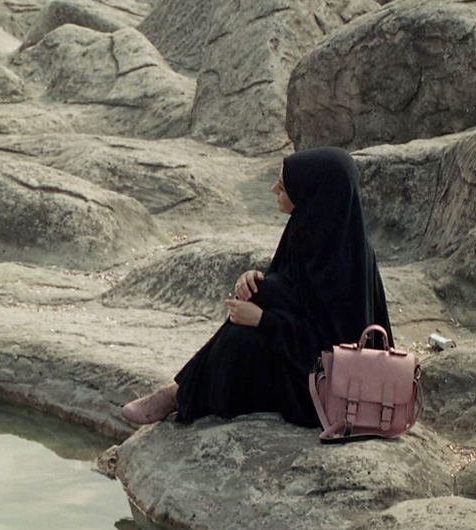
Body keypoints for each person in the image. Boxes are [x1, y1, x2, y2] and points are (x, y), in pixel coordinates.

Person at [122, 147, 391, 429]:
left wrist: (264, 320)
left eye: (284, 186)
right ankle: (178, 392)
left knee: (239, 342)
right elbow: (291, 290)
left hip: (330, 385)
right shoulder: (310, 227)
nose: (274, 189)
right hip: (301, 359)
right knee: (256, 300)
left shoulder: (345, 262)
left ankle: (178, 393)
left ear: (312, 193)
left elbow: (330, 346)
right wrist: (253, 280)